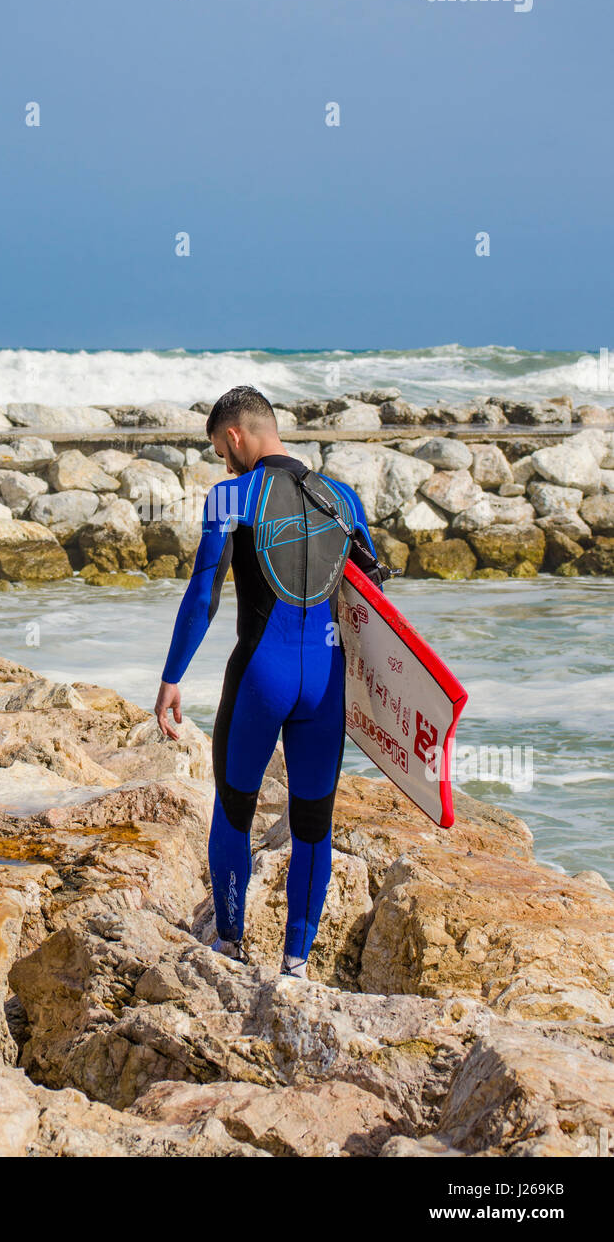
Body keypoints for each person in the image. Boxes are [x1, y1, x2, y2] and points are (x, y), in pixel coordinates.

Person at [155, 385, 386, 979]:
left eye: (217, 449)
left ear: (234, 436)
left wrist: (172, 676)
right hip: (326, 683)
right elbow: (375, 602)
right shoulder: (343, 499)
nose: (220, 462)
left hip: (262, 676)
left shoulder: (229, 497)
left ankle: (230, 945)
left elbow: (203, 593)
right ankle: (296, 965)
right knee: (314, 825)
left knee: (234, 811)